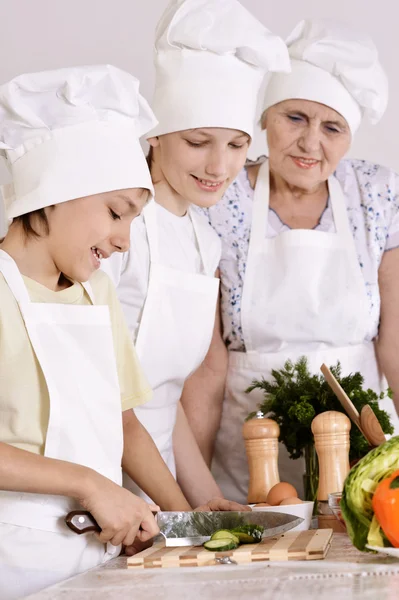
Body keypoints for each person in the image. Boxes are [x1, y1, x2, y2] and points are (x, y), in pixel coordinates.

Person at [0, 65, 242, 600]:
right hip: (12, 565)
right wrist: (88, 483)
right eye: (116, 213)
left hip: (94, 562)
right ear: (55, 192)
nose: (125, 241)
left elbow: (124, 422)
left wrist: (187, 519)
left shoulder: (95, 293)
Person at [186, 18, 399, 503]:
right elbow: (208, 361)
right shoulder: (222, 194)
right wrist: (194, 495)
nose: (310, 144)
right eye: (295, 117)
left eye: (332, 127)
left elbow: (396, 343)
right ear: (264, 117)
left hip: (359, 444)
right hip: (245, 451)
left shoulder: (377, 194)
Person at [102, 0, 290, 507]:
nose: (218, 165)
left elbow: (163, 397)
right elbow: (103, 395)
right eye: (198, 141)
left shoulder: (203, 240)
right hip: (101, 480)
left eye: (235, 145)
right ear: (157, 135)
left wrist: (205, 500)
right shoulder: (117, 227)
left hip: (161, 481)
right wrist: (180, 512)